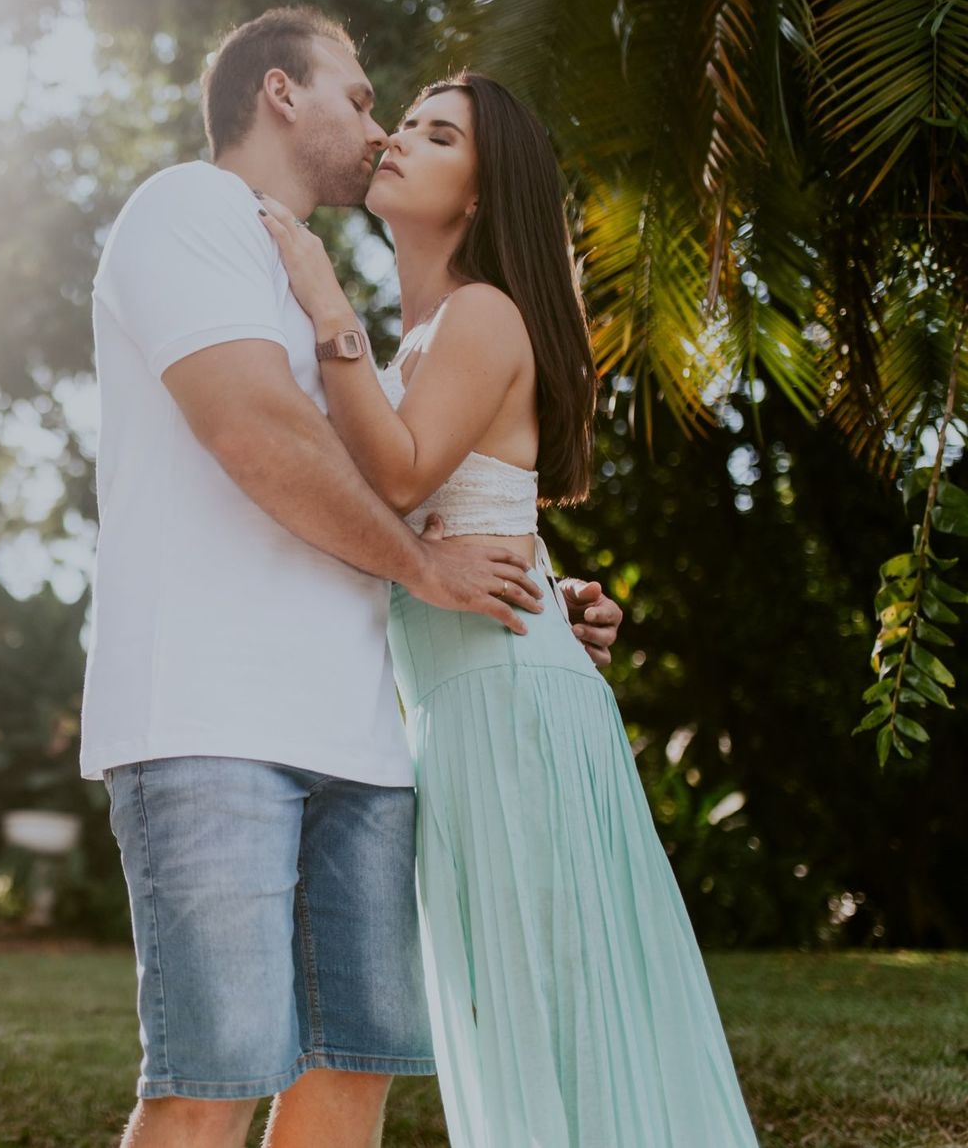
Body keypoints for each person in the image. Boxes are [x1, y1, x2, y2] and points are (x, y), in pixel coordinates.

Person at [81, 5, 624, 1148]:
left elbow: (400, 484)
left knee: (348, 1077)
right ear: (282, 92)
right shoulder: (191, 208)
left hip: (363, 743)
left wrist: (531, 591)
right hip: (208, 720)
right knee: (209, 1080)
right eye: (366, 98)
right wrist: (426, 563)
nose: (379, 129)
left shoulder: (312, 287)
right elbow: (259, 433)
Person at [255, 72, 758, 1145]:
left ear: (480, 198)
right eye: (413, 121)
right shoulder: (424, 343)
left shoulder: (480, 313)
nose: (400, 138)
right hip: (468, 700)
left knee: (554, 1007)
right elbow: (462, 500)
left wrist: (321, 294)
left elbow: (395, 480)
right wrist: (561, 577)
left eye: (440, 135)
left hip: (508, 700)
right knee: (519, 1013)